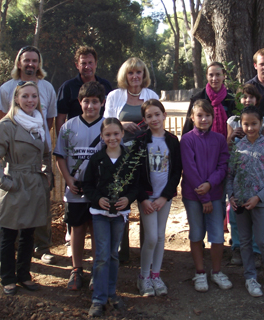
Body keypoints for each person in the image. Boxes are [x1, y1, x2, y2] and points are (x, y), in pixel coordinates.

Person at [0, 81, 52, 295]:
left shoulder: (39, 123)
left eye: (34, 96)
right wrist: (3, 182)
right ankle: (7, 277)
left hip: (34, 185)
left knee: (28, 234)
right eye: (25, 96)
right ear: (16, 99)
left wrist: (46, 178)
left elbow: (45, 154)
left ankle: (24, 275)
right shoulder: (7, 125)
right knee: (8, 235)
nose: (30, 100)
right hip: (15, 183)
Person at [0, 46, 57, 264]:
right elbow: (3, 119)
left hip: (38, 157)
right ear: (18, 63)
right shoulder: (6, 88)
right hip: (16, 159)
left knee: (41, 206)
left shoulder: (47, 88)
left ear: (39, 64)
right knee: (14, 207)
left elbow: (48, 120)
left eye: (35, 61)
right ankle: (9, 249)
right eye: (26, 60)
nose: (31, 64)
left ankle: (42, 247)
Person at [83, 118, 140, 317]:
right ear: (102, 137)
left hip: (119, 215)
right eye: (108, 135)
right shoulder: (97, 159)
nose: (112, 138)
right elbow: (87, 185)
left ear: (122, 134)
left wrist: (128, 198)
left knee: (114, 254)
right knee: (101, 255)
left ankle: (111, 292)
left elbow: (135, 186)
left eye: (116, 134)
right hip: (100, 214)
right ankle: (98, 298)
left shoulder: (129, 159)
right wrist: (98, 199)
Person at [103, 57, 159, 261]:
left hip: (146, 157)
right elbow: (106, 123)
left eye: (139, 72)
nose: (135, 76)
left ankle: (148, 250)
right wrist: (122, 124)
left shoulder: (151, 95)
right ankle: (121, 251)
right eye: (131, 73)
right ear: (124, 76)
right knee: (121, 202)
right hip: (120, 158)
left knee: (146, 201)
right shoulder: (114, 96)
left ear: (144, 75)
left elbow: (158, 120)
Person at [54, 82, 106, 291]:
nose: (90, 106)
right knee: (77, 229)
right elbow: (60, 156)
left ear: (102, 103)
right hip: (75, 190)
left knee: (96, 229)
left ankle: (96, 269)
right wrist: (68, 179)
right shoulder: (68, 127)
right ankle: (76, 269)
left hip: (98, 191)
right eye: (86, 101)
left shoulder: (107, 126)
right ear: (79, 102)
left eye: (95, 102)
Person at [226, 106, 264, 297]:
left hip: (260, 202)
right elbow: (230, 175)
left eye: (254, 124)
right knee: (245, 242)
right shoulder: (238, 147)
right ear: (241, 124)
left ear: (261, 124)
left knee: (262, 240)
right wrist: (231, 196)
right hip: (240, 203)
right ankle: (250, 277)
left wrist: (259, 197)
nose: (250, 128)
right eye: (246, 124)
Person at [180, 99, 232, 292]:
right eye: (199, 115)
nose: (203, 119)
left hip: (216, 194)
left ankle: (217, 271)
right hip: (193, 196)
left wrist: (210, 185)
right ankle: (200, 272)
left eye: (207, 115)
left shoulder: (219, 139)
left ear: (213, 117)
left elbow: (223, 165)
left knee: (217, 234)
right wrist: (204, 197)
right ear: (192, 117)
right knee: (196, 233)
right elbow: (190, 170)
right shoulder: (187, 139)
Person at [135, 99, 182, 296]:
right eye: (149, 116)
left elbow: (177, 170)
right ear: (144, 120)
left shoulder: (172, 140)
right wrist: (143, 199)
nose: (154, 119)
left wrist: (165, 197)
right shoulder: (141, 141)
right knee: (151, 237)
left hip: (164, 198)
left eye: (157, 114)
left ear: (164, 116)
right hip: (146, 198)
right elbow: (135, 173)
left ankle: (156, 275)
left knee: (161, 236)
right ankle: (143, 276)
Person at [225, 84, 264, 268]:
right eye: (243, 97)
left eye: (251, 96)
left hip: (256, 176)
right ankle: (237, 247)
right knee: (235, 214)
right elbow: (227, 147)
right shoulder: (233, 120)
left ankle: (256, 251)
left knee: (255, 216)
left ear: (257, 99)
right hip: (237, 174)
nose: (247, 100)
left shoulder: (263, 121)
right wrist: (233, 136)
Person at [56, 46, 113, 135]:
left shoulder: (106, 85)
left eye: (90, 62)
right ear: (77, 65)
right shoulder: (68, 87)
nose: (87, 66)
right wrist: (64, 142)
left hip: (102, 137)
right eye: (83, 63)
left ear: (96, 64)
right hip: (76, 137)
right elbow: (60, 118)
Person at [182, 62, 236, 136]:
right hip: (201, 143)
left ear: (224, 76)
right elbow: (188, 126)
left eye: (218, 74)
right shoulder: (197, 99)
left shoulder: (231, 98)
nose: (214, 78)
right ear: (207, 76)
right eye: (211, 75)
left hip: (227, 143)